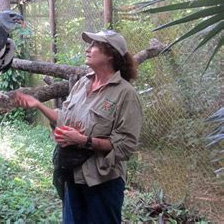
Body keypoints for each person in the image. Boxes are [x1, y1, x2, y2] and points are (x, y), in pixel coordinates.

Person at [13, 30, 143, 224]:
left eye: (94, 45)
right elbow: (64, 118)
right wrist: (38, 104)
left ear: (110, 54)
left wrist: (85, 141)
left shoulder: (125, 94)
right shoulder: (82, 84)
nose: (87, 49)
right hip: (73, 173)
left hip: (102, 180)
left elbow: (126, 145)